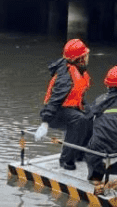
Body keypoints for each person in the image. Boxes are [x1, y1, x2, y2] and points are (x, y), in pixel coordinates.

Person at [34, 38, 93, 171]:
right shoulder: (65, 78)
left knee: (90, 116)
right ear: (80, 59)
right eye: (86, 55)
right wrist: (45, 123)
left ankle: (80, 153)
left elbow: (78, 95)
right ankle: (66, 160)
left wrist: (88, 110)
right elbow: (54, 100)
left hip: (68, 108)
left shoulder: (79, 71)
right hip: (56, 113)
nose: (88, 57)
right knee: (78, 120)